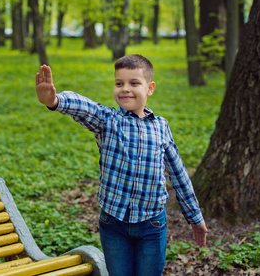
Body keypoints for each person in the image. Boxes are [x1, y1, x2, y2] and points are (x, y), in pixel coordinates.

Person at [35, 55, 207, 276]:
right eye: (119, 83)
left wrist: (195, 216)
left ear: (150, 88)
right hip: (113, 224)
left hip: (152, 225)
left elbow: (178, 173)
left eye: (134, 83)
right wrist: (54, 101)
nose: (125, 89)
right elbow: (84, 106)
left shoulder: (161, 127)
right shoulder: (108, 121)